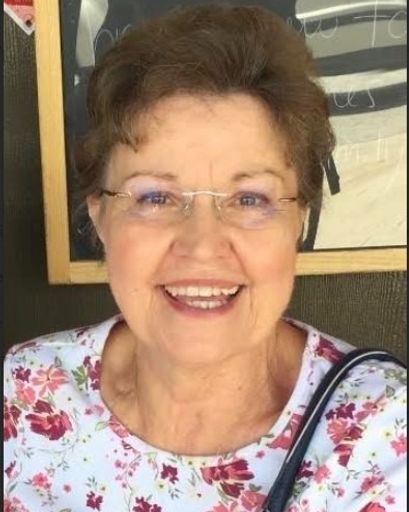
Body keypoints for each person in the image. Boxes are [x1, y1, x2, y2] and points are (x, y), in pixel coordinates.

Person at [4, 5, 406, 512]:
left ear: (297, 222)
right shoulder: (21, 393)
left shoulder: (383, 436)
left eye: (250, 199)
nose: (201, 244)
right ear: (100, 218)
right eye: (154, 197)